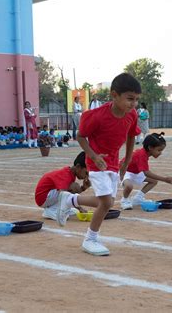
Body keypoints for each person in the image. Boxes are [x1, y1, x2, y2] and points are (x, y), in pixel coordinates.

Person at [57, 73, 141, 256]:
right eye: (129, 99)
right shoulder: (96, 116)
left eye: (136, 100)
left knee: (107, 202)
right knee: (106, 202)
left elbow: (131, 136)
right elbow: (80, 136)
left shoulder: (132, 114)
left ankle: (70, 199)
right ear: (114, 95)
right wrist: (94, 157)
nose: (133, 104)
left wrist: (126, 161)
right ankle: (90, 239)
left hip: (113, 163)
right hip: (97, 162)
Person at [35, 151, 99, 223]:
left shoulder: (70, 174)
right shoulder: (65, 175)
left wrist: (83, 188)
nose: (86, 177)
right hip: (43, 198)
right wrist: (80, 208)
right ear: (78, 167)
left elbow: (69, 193)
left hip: (49, 195)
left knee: (73, 191)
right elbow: (64, 194)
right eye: (86, 173)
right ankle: (50, 212)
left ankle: (54, 208)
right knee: (73, 187)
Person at [120, 133, 172, 210]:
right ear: (150, 147)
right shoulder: (141, 155)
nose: (160, 153)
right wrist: (165, 179)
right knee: (129, 186)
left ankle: (138, 198)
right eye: (159, 150)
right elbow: (146, 173)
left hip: (135, 172)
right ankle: (124, 200)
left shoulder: (145, 153)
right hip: (125, 171)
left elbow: (144, 172)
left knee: (153, 181)